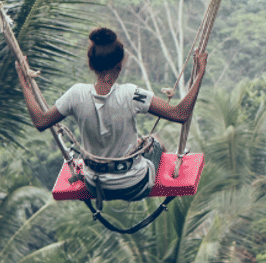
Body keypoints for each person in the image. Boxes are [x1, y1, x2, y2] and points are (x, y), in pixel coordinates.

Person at [16, 27, 207, 201]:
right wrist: (200, 74)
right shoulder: (131, 94)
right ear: (119, 66)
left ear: (91, 65)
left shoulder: (75, 95)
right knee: (154, 142)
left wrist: (25, 83)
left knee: (140, 143)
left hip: (95, 186)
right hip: (135, 186)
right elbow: (180, 114)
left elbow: (40, 121)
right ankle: (161, 173)